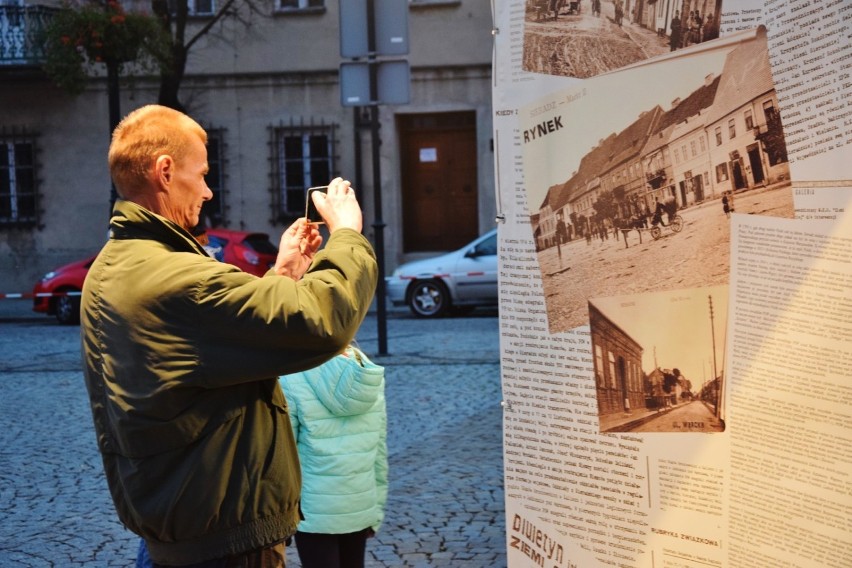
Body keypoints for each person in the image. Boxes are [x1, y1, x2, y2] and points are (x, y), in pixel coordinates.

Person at [80, 104, 378, 567]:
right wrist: (347, 236)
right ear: (164, 171)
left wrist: (282, 274)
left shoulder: (114, 265)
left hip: (180, 528)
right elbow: (320, 322)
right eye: (200, 174)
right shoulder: (178, 279)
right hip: (222, 547)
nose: (207, 189)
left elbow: (218, 342)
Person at [279, 346, 388, 568]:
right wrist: (376, 510)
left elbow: (284, 458)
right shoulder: (365, 371)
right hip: (360, 504)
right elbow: (379, 449)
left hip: (312, 512)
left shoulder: (291, 377)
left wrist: (280, 515)